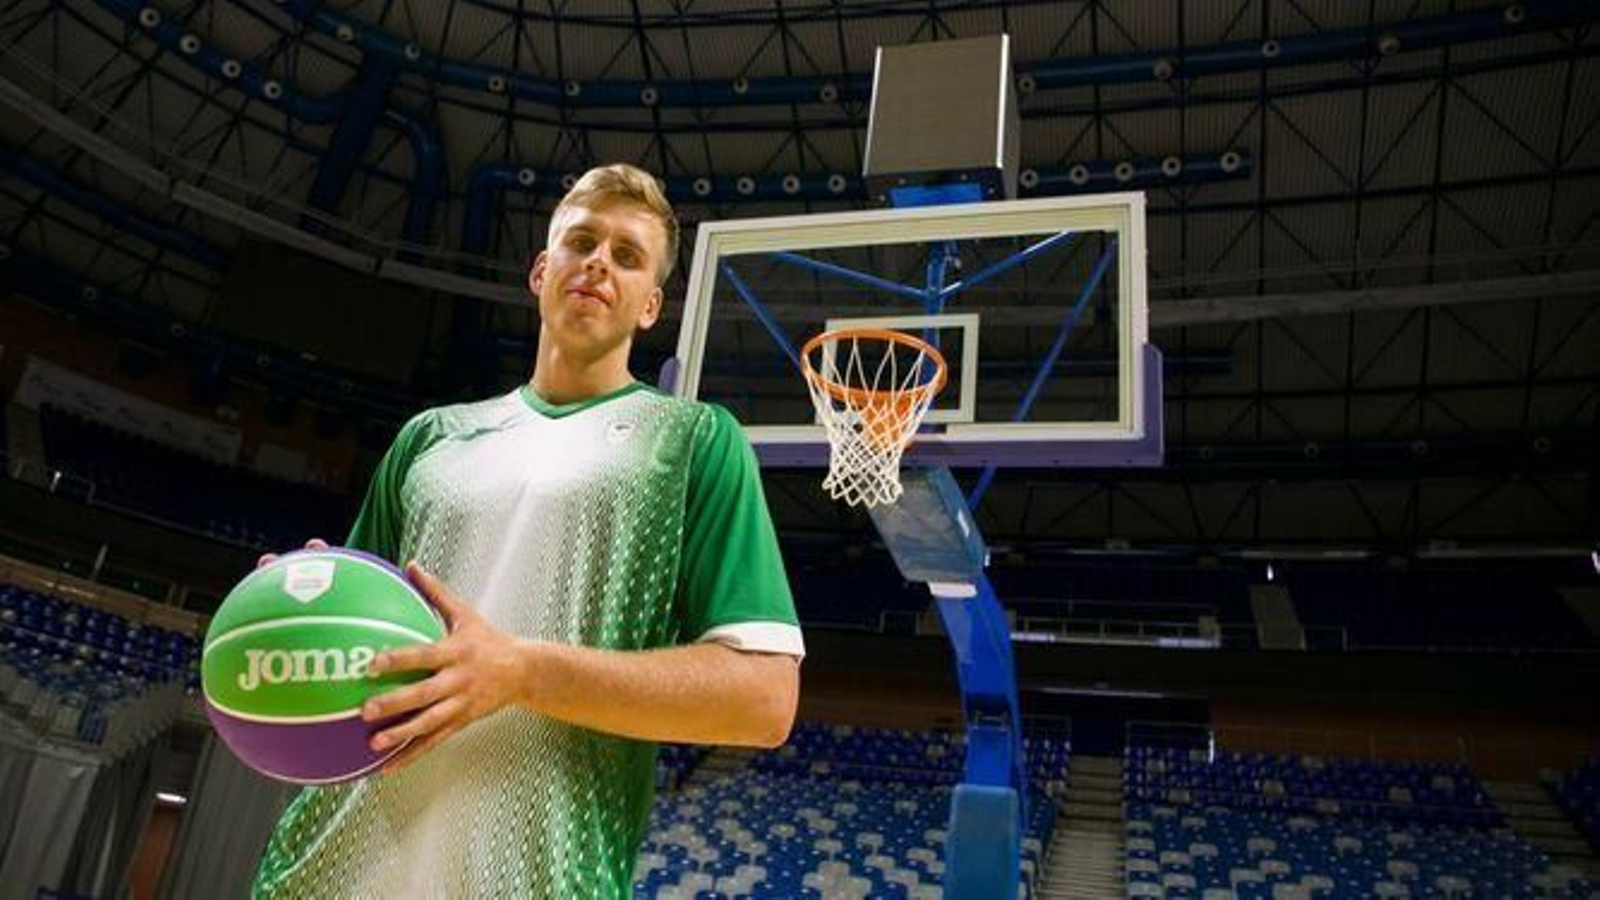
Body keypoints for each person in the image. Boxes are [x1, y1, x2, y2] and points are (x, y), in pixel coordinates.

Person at [251, 164, 804, 898]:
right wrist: (305, 609)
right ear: (542, 271)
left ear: (650, 307)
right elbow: (357, 652)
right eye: (581, 242)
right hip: (325, 872)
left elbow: (765, 700)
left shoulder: (692, 442)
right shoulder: (431, 439)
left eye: (628, 255)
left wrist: (521, 672)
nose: (599, 262)